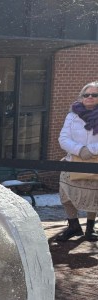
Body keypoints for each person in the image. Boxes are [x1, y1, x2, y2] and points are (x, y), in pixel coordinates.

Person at [56, 81, 98, 242]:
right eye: (86, 95)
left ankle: (90, 228)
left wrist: (91, 151)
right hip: (72, 159)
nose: (89, 97)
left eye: (94, 95)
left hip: (94, 162)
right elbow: (63, 138)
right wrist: (80, 149)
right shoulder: (72, 115)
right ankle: (73, 226)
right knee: (66, 195)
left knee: (93, 196)